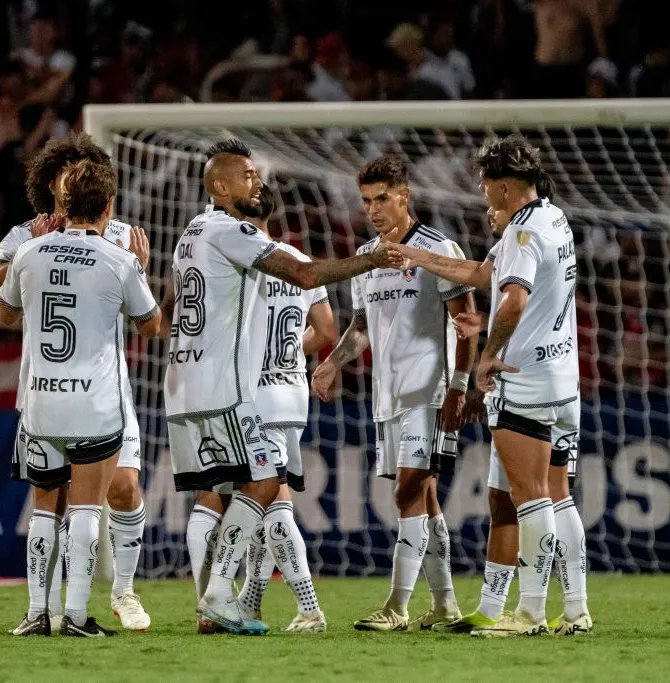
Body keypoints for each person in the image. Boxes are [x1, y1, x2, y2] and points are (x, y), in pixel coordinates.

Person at [166, 138, 402, 635]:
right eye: (249, 175)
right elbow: (306, 274)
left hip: (189, 383)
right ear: (221, 185)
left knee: (227, 489)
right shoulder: (232, 232)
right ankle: (222, 597)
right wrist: (374, 259)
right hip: (228, 386)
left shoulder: (193, 231)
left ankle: (220, 597)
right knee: (264, 484)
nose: (258, 181)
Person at [392, 134, 591, 636]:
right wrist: (422, 258)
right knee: (557, 492)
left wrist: (488, 357)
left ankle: (528, 613)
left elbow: (513, 300)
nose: (481, 193)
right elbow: (483, 272)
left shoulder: (523, 234)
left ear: (504, 186)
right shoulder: (552, 218)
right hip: (564, 380)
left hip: (524, 379)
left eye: (485, 184)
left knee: (528, 495)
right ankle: (576, 610)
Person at [0, 134, 154, 635]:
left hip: (99, 384)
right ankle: (63, 609)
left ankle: (120, 589)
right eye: (64, 176)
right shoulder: (27, 235)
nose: (71, 184)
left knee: (122, 490)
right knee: (65, 499)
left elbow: (6, 307)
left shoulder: (119, 235)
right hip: (61, 387)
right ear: (50, 184)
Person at [310, 157, 476, 632]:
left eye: (382, 198)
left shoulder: (436, 248)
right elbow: (361, 328)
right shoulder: (367, 258)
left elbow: (466, 324)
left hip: (429, 389)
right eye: (366, 201)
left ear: (404, 195)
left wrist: (459, 387)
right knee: (424, 498)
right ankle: (445, 606)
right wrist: (331, 362)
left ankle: (397, 606)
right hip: (388, 395)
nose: (373, 209)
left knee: (407, 492)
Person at [231, 185, 336, 632]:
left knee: (271, 503)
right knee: (264, 498)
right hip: (292, 393)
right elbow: (326, 329)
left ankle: (309, 608)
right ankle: (250, 601)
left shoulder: (239, 260)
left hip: (255, 397)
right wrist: (292, 351)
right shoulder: (299, 262)